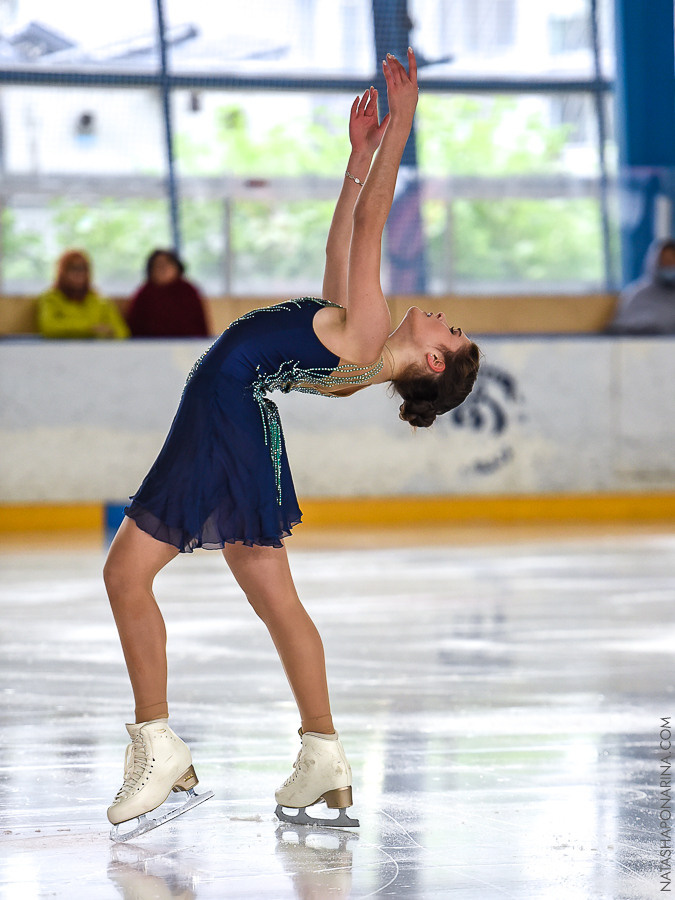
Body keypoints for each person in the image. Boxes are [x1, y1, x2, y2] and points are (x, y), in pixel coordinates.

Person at [103, 49, 480, 840]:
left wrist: (402, 124)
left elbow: (375, 224)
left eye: (451, 329)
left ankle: (158, 743)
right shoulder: (364, 337)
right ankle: (324, 755)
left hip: (225, 415)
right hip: (238, 421)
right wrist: (358, 158)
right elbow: (343, 245)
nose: (443, 314)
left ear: (434, 361)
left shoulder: (374, 335)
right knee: (273, 597)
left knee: (127, 572)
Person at [37, 250, 129, 339]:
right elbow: (50, 328)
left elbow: (122, 332)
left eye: (83, 269)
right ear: (62, 272)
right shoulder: (50, 298)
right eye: (73, 268)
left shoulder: (100, 301)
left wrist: (109, 332)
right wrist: (90, 329)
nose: (79, 274)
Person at [126, 249, 209, 338]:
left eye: (167, 264)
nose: (163, 269)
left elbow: (200, 328)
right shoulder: (144, 294)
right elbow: (134, 329)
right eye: (158, 265)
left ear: (177, 267)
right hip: (150, 346)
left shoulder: (189, 291)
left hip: (186, 346)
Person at [607, 238, 675, 335]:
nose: (669, 266)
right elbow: (620, 327)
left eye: (672, 262)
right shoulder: (638, 294)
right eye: (665, 262)